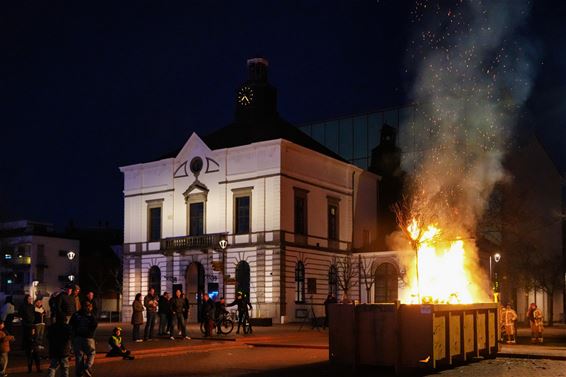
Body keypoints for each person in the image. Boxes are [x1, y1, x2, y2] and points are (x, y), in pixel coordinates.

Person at [69, 301, 97, 377]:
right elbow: (94, 325)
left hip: (77, 338)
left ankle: (79, 373)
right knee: (91, 353)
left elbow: (70, 325)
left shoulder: (76, 314)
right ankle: (87, 367)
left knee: (79, 356)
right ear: (89, 307)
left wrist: (73, 336)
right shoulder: (91, 315)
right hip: (88, 338)